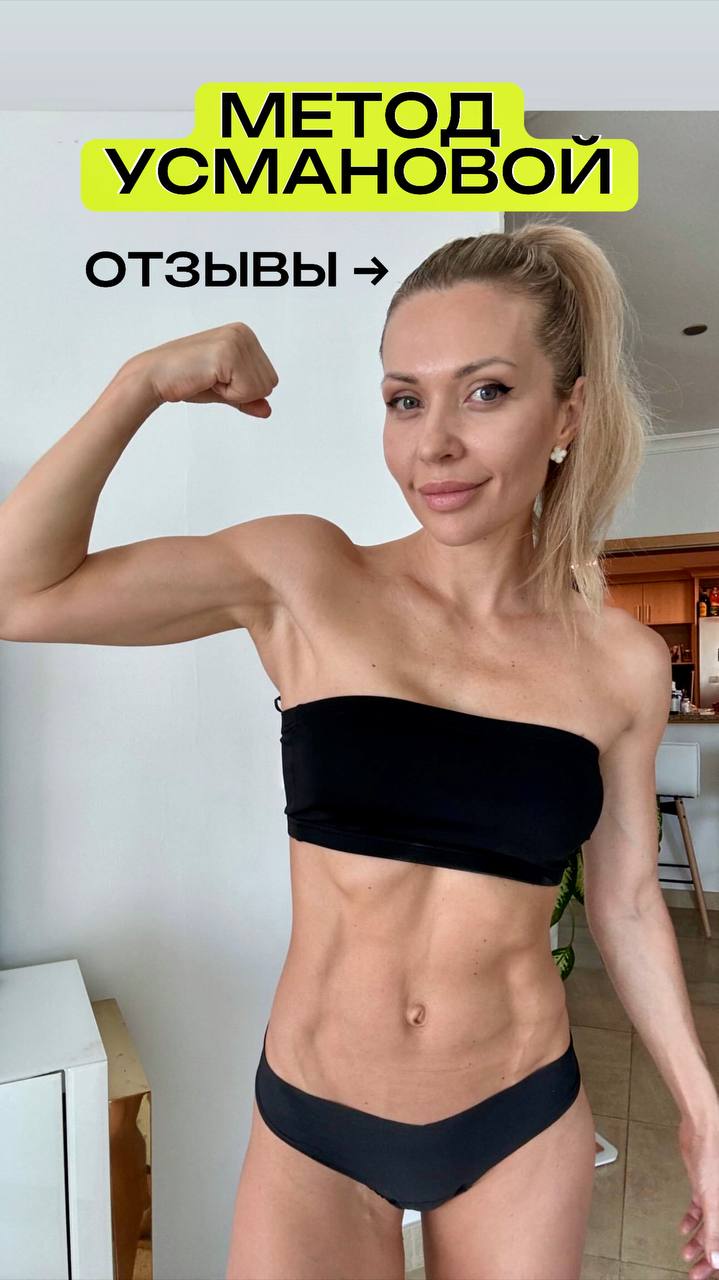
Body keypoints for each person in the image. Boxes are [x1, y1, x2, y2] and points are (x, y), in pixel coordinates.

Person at [1, 222, 717, 1280]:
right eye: (403, 399)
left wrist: (703, 1117)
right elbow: (20, 592)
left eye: (485, 392)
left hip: (517, 1113)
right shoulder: (305, 576)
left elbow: (624, 903)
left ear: (567, 412)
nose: (434, 443)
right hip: (316, 1121)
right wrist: (140, 383)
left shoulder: (618, 663)